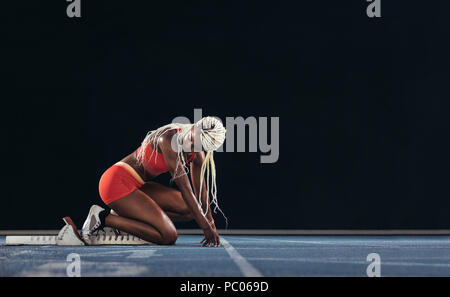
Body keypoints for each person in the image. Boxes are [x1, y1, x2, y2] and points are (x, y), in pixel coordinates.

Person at [82, 116, 226, 247]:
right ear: (194, 128)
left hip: (138, 186)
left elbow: (201, 192)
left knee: (190, 211)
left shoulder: (197, 155)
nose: (191, 149)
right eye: (192, 141)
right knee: (168, 236)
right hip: (116, 183)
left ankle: (124, 216)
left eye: (198, 147)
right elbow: (186, 190)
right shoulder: (169, 139)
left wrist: (211, 223)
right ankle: (103, 218)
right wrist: (205, 228)